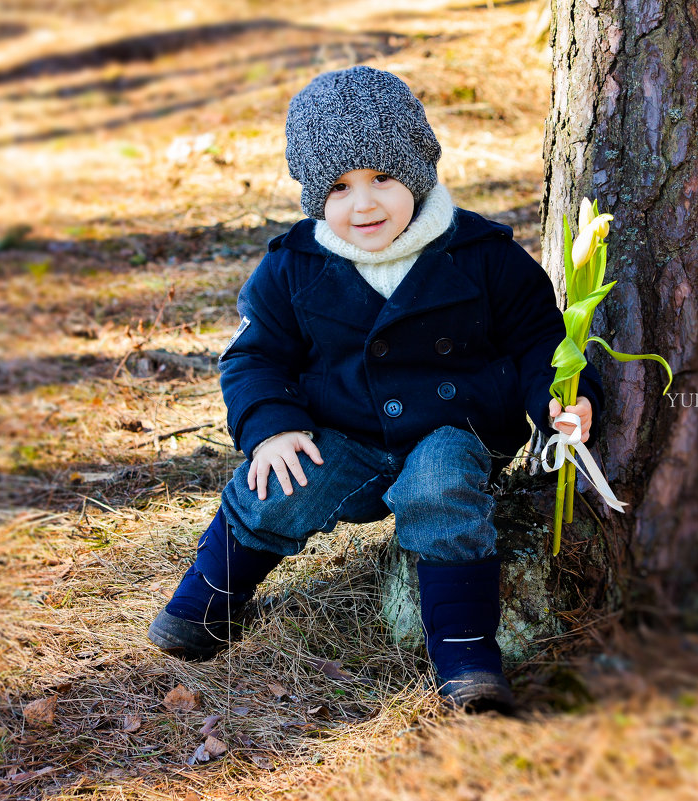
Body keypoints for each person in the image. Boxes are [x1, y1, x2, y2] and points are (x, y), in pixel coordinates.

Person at [147, 66, 603, 714]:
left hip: (454, 428)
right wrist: (272, 424)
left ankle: (468, 658)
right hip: (345, 432)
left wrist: (562, 398)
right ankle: (208, 602)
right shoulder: (292, 266)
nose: (363, 204)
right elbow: (254, 356)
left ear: (416, 169)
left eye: (382, 179)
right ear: (312, 194)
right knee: (279, 480)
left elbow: (539, 341)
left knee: (439, 489)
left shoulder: (482, 254)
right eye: (338, 186)